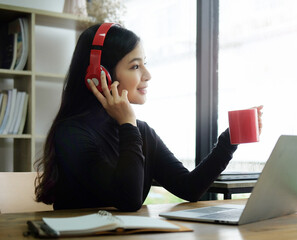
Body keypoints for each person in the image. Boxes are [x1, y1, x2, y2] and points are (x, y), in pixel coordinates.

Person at [34, 23, 263, 211]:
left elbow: (189, 188)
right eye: (135, 66)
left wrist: (230, 139)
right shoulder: (72, 133)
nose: (147, 75)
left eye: (145, 64)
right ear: (99, 75)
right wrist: (127, 124)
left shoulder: (139, 131)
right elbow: (128, 200)